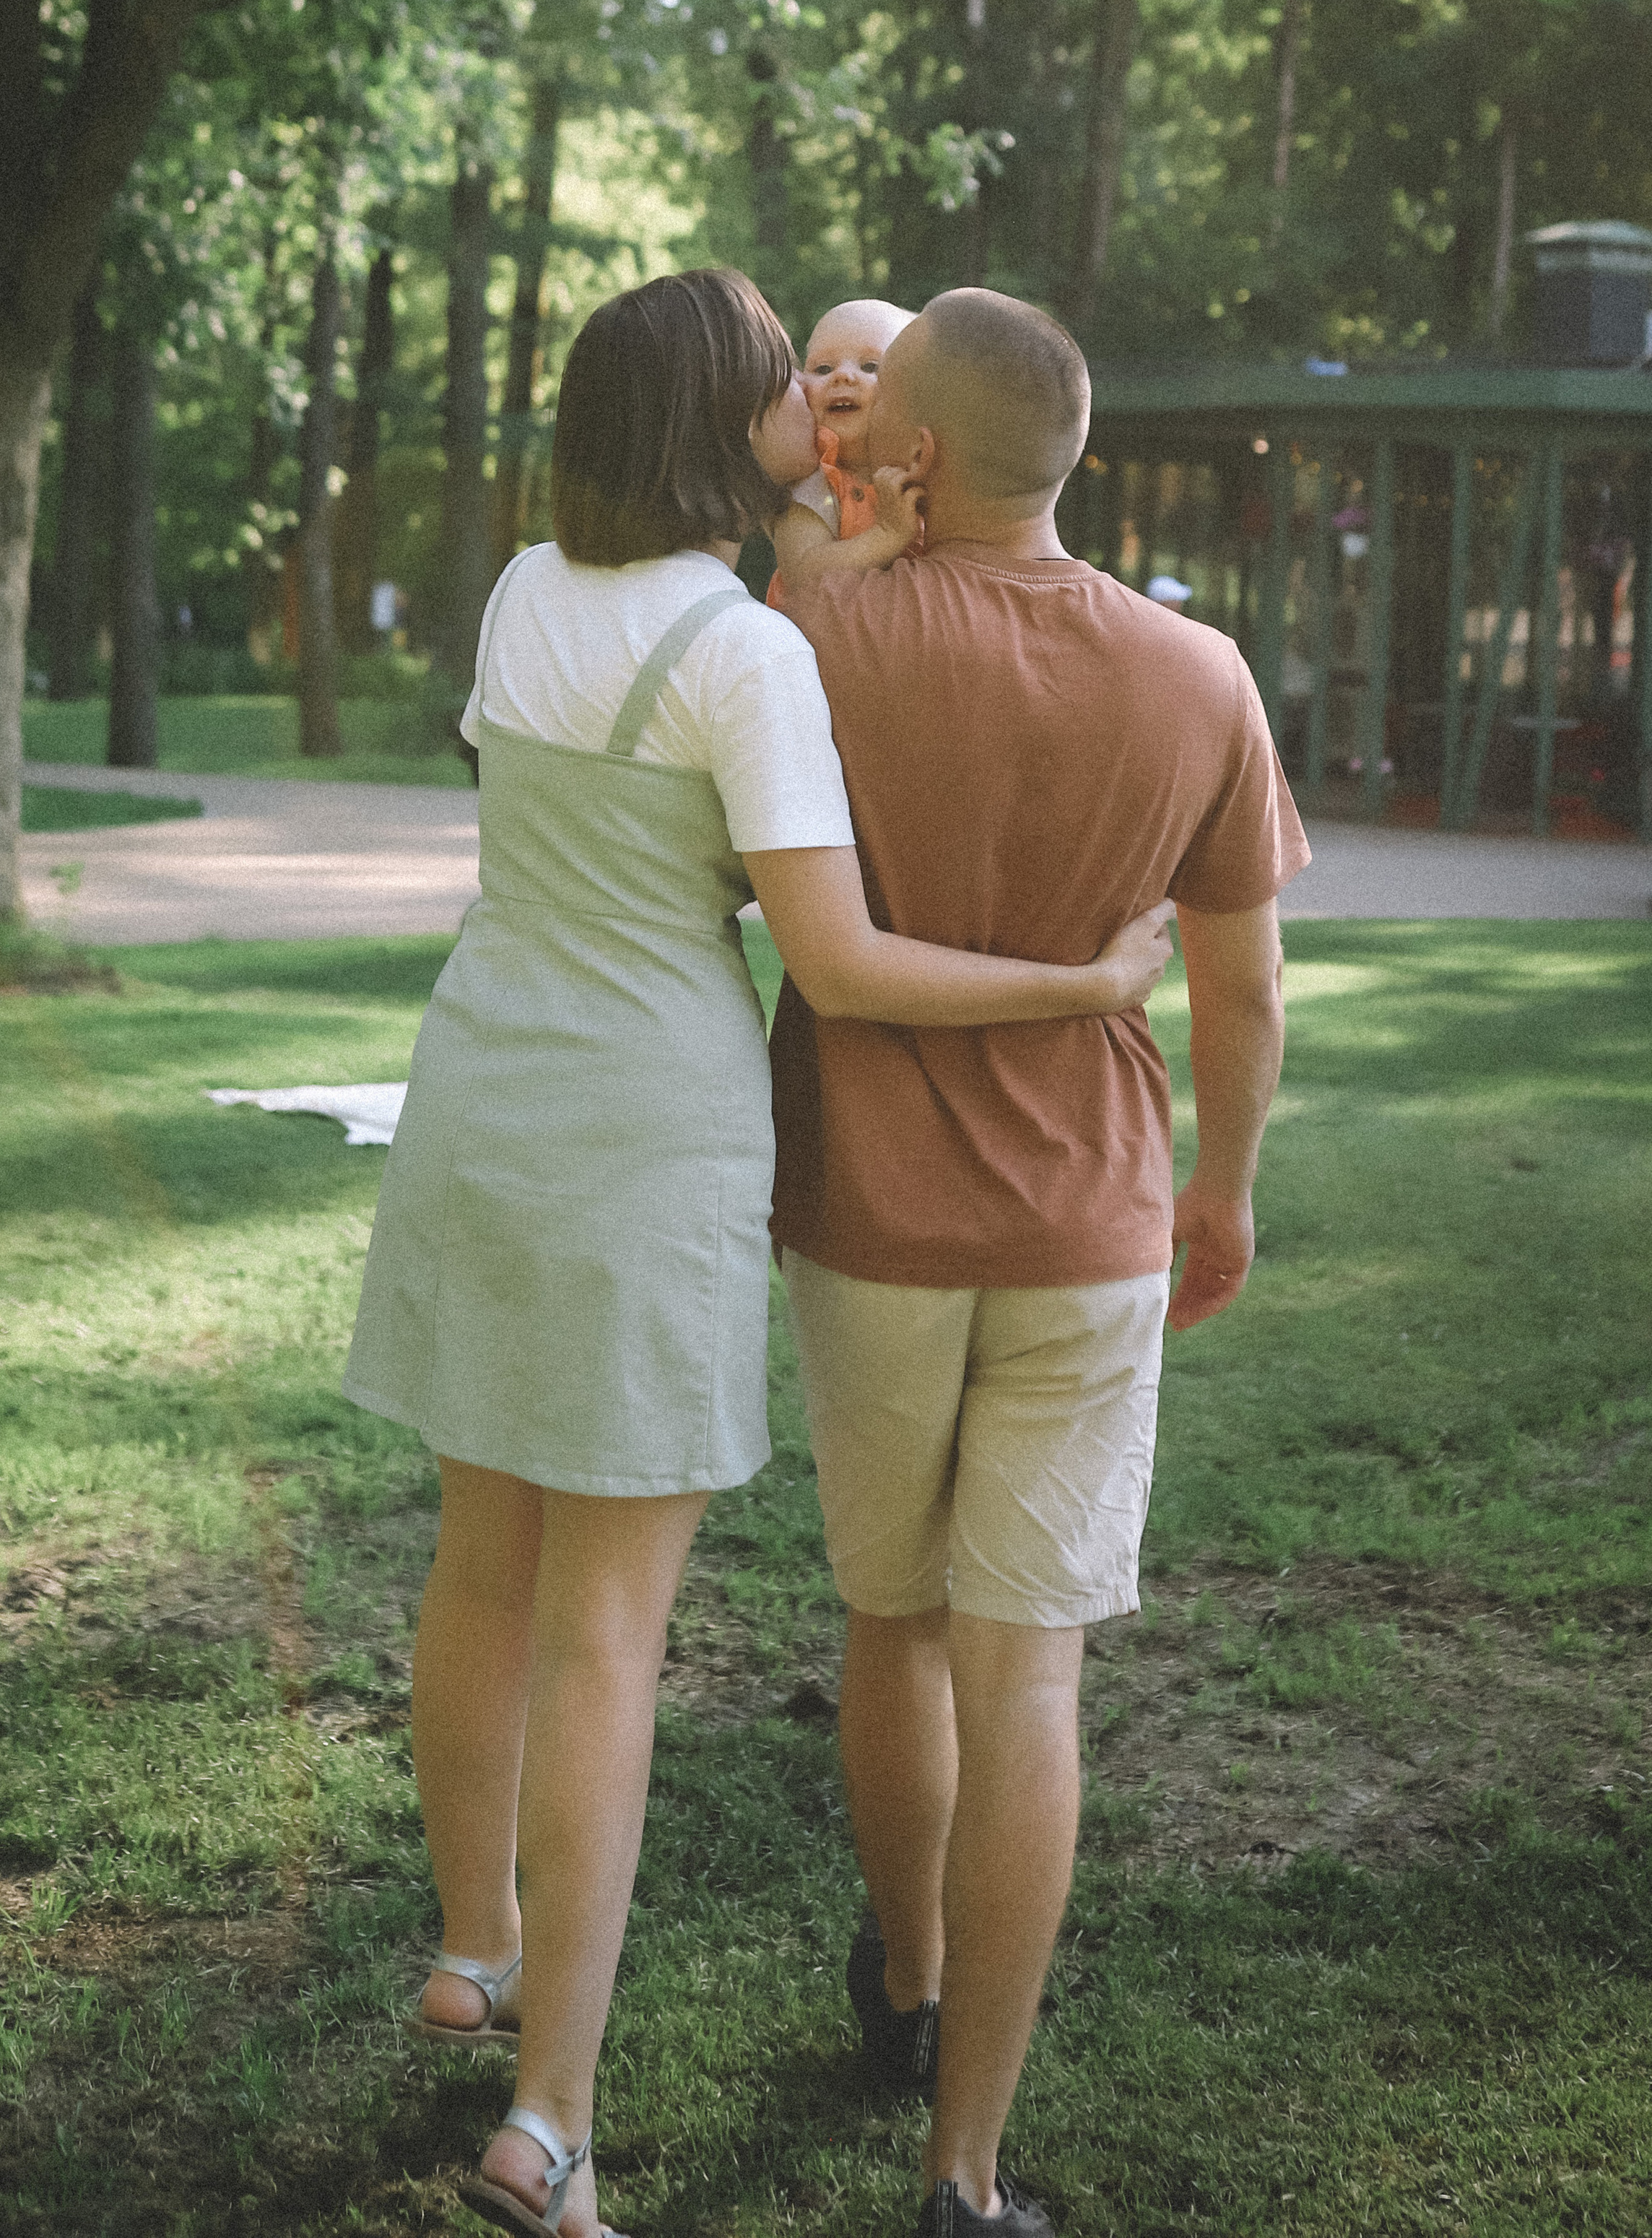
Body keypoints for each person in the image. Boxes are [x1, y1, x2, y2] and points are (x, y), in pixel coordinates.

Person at [339, 270, 1177, 2238]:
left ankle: (478, 1945)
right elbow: (842, 961)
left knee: (481, 1564)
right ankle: (551, 2124)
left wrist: (847, 555)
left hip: (479, 1100)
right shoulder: (747, 656)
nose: (832, 412)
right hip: (642, 1137)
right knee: (605, 1633)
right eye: (793, 392)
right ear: (731, 429)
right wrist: (1083, 978)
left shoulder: (525, 592)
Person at [769, 287, 1310, 2238]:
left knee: (891, 1625)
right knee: (1031, 1680)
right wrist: (1223, 1194)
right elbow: (1241, 988)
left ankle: (902, 1986)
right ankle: (965, 2172)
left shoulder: (817, 635)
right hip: (1093, 1223)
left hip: (868, 1225)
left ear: (913, 453)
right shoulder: (1200, 673)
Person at [768, 298, 916, 605]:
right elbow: (803, 577)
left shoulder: (925, 472)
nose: (843, 376)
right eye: (823, 368)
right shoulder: (809, 482)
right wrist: (887, 535)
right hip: (820, 648)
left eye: (870, 366)